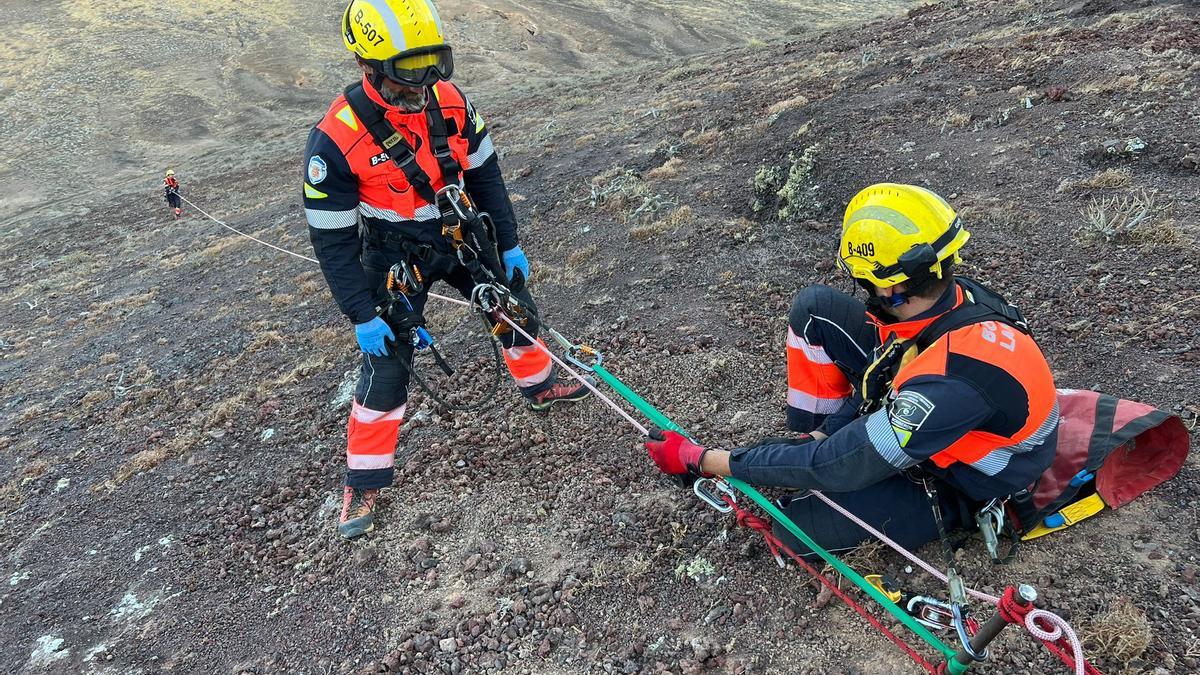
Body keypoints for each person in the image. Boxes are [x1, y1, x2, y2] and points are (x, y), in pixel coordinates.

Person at [303, 0, 592, 539]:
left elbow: (487, 178)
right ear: (368, 69)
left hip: (458, 233)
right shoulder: (336, 140)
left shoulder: (451, 101)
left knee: (513, 307)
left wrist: (507, 243)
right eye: (411, 71)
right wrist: (361, 314)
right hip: (391, 253)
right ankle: (363, 481)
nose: (425, 84)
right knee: (388, 363)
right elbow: (332, 241)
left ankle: (539, 384)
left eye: (436, 64)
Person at [645, 183, 1060, 556]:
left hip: (966, 477)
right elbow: (888, 366)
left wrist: (701, 459)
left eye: (862, 279)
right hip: (950, 405)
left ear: (892, 287)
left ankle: (949, 511)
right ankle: (816, 431)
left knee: (794, 529)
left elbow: (835, 466)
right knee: (816, 311)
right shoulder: (952, 300)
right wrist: (823, 436)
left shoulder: (948, 382)